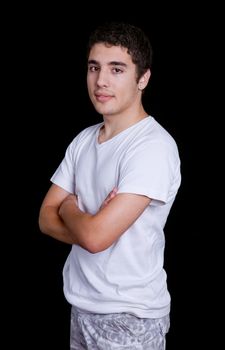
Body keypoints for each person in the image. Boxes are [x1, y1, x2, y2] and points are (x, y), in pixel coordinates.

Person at [39, 21, 181, 350]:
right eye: (94, 67)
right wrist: (88, 224)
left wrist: (70, 207)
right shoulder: (84, 141)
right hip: (82, 307)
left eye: (117, 69)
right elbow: (45, 217)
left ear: (143, 78)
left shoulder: (152, 147)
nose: (100, 81)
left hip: (129, 318)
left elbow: (94, 237)